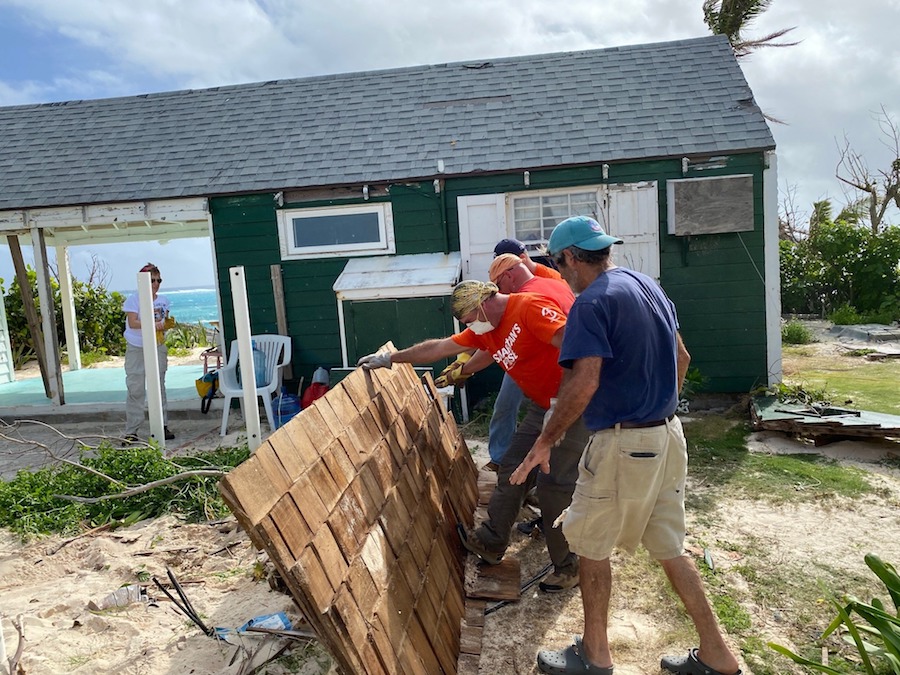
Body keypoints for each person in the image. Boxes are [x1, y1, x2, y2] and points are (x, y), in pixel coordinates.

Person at [510, 216, 742, 675]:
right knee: (671, 548)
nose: (559, 272)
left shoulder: (591, 304)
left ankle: (595, 656)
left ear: (572, 258)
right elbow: (682, 356)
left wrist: (545, 441)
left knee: (592, 547)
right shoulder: (646, 284)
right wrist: (658, 408)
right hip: (668, 437)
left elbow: (584, 381)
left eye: (558, 263)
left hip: (623, 443)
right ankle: (718, 655)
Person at [358, 279, 590, 593]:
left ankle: (568, 567)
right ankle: (492, 542)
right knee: (511, 469)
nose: (470, 328)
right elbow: (440, 347)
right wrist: (392, 359)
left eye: (469, 320)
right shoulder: (489, 328)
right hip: (542, 407)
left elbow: (578, 349)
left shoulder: (529, 307)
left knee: (554, 488)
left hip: (574, 407)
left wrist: (564, 402)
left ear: (481, 304)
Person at [122, 263, 176, 442]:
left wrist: (166, 324)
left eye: (158, 280)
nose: (155, 284)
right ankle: (132, 430)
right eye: (151, 280)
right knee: (136, 387)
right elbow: (133, 323)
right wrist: (153, 325)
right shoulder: (133, 300)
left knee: (159, 385)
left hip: (157, 345)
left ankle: (162, 425)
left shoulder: (164, 300)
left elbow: (164, 320)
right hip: (137, 347)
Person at [494, 237, 563, 280]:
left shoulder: (551, 278)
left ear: (522, 258)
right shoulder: (509, 283)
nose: (501, 272)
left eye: (504, 265)